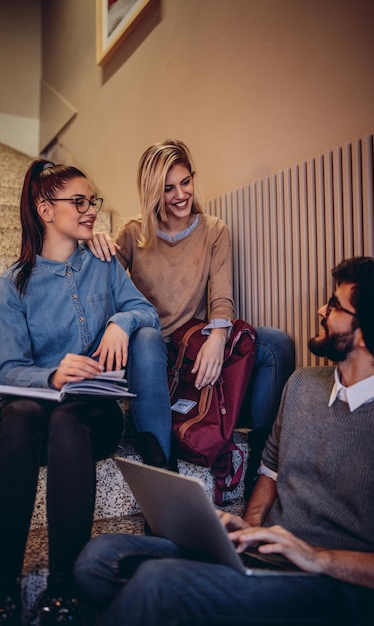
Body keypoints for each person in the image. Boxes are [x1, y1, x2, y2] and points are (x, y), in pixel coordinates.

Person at [73, 255, 374, 626]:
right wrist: (249, 527)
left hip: (333, 586)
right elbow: (269, 471)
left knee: (158, 582)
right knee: (101, 557)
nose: (320, 309)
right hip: (266, 556)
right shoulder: (302, 384)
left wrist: (318, 557)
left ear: (363, 333)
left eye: (333, 305)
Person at [0, 159, 172, 626]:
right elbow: (9, 370)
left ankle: (65, 589)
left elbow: (144, 311)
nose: (90, 211)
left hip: (88, 416)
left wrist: (122, 322)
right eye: (78, 202)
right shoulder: (14, 285)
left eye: (92, 201)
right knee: (19, 418)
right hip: (30, 414)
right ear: (46, 210)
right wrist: (51, 376)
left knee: (68, 420)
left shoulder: (102, 264)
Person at [88, 139, 295, 492]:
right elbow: (95, 290)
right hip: (149, 356)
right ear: (153, 192)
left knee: (276, 343)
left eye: (186, 182)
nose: (180, 194)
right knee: (149, 337)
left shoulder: (214, 230)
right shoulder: (133, 234)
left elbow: (222, 298)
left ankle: (261, 468)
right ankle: (164, 471)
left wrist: (218, 337)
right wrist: (92, 243)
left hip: (195, 349)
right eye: (168, 188)